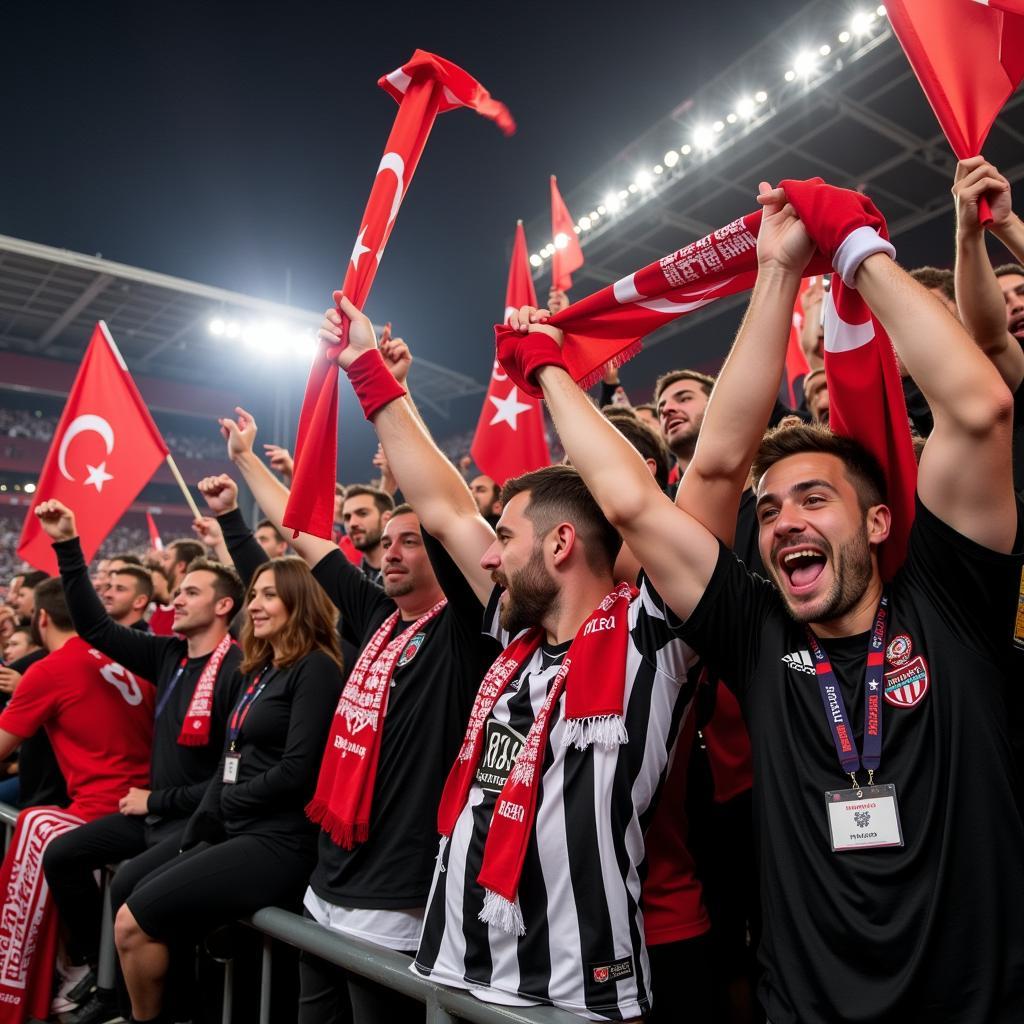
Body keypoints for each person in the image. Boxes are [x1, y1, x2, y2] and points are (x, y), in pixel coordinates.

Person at [507, 178, 1024, 1022]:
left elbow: (981, 405)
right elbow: (668, 490)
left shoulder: (950, 601)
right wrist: (551, 370)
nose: (784, 521)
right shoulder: (758, 635)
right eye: (772, 508)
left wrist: (855, 247)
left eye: (814, 500)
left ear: (881, 518)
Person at [319, 293, 699, 1022]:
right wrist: (367, 370)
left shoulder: (650, 634)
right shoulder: (511, 640)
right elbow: (444, 509)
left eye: (506, 536)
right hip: (456, 967)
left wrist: (550, 369)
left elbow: (651, 504)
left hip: (570, 996)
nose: (487, 554)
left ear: (559, 546)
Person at [218, 385, 497, 1023]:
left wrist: (388, 394)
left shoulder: (464, 631)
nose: (390, 553)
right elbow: (306, 533)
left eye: (411, 541)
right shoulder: (378, 614)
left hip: (396, 892)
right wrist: (246, 461)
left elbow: (445, 511)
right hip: (330, 876)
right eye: (386, 543)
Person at [33, 500, 244, 1023]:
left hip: (197, 822)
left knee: (131, 890)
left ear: (223, 606)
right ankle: (93, 971)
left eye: (190, 592)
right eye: (179, 590)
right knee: (63, 856)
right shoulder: (168, 653)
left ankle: (147, 1009)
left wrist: (160, 799)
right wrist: (67, 545)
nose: (177, 598)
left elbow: (228, 776)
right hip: (150, 816)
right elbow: (97, 629)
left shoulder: (239, 667)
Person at [113, 556, 343, 1024]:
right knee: (131, 887)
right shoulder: (261, 668)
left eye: (269, 595)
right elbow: (230, 758)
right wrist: (205, 822)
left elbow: (299, 770)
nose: (254, 605)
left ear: (298, 602)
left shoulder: (315, 667)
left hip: (277, 840)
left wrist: (232, 801)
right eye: (254, 594)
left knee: (133, 923)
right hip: (237, 828)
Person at [0, 576, 154, 1022]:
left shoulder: (48, 669)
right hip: (144, 802)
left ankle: (79, 969)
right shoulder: (121, 656)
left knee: (38, 830)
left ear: (41, 617)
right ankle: (81, 967)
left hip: (100, 808)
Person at [654, 369, 715, 473]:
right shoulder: (657, 489)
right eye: (660, 410)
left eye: (684, 399)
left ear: (714, 403)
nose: (666, 410)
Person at [146, 539, 205, 636]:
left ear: (181, 566)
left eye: (166, 558)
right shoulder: (161, 609)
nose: (161, 564)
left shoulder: (190, 613)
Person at [340, 484, 393, 586]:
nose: (352, 523)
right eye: (347, 517)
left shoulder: (414, 573)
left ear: (386, 519)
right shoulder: (351, 583)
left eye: (362, 513)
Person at [103, 565, 154, 630]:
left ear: (139, 601)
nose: (107, 594)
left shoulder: (143, 639)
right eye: (109, 587)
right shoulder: (102, 632)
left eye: (120, 589)